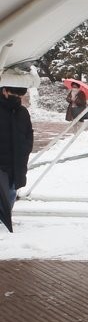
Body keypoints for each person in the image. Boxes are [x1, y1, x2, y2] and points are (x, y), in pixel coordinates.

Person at [0, 85, 33, 224]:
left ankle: (6, 217)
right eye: (15, 94)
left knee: (11, 192)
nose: (18, 98)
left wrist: (25, 149)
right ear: (4, 91)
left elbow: (28, 134)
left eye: (20, 96)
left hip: (16, 161)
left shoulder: (22, 112)